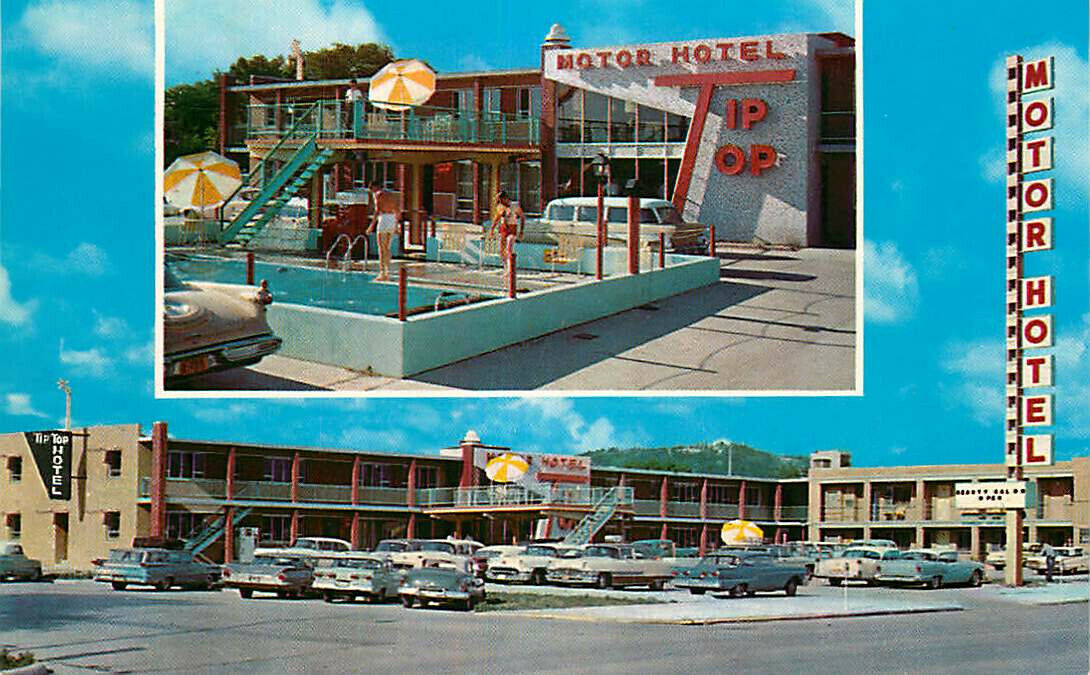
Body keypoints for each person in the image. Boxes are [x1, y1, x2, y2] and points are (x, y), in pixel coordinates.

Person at [366, 179, 398, 281]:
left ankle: (382, 273)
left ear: (374, 187)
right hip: (392, 218)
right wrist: (397, 226)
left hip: (383, 219)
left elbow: (377, 211)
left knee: (381, 248)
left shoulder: (378, 195)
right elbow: (397, 210)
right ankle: (387, 272)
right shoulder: (391, 195)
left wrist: (371, 226)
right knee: (387, 248)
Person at [489, 190, 524, 268]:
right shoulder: (500, 207)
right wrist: (492, 230)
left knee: (509, 245)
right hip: (504, 228)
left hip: (512, 227)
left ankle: (509, 263)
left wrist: (521, 231)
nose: (501, 202)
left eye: (501, 200)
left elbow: (522, 217)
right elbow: (496, 219)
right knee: (502, 247)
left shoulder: (514, 207)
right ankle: (505, 263)